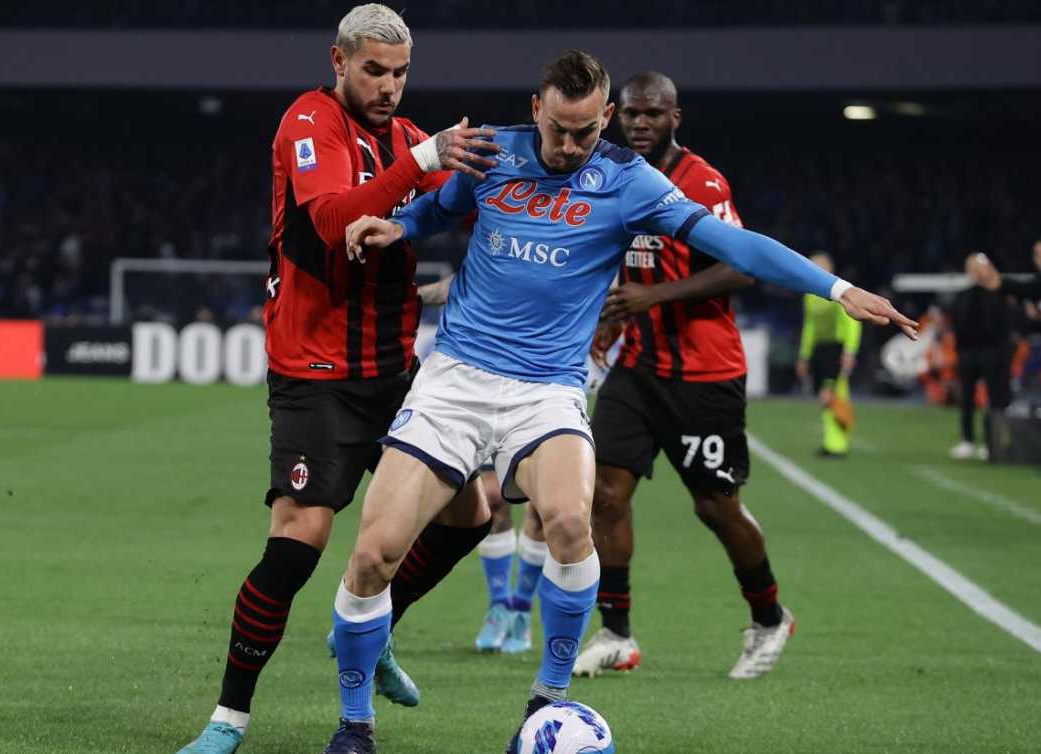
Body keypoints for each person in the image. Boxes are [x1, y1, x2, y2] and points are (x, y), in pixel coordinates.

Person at [323, 50, 916, 754]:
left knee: (571, 521)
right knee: (374, 555)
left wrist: (838, 289)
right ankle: (354, 726)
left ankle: (546, 705)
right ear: (536, 108)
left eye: (585, 132)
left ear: (604, 117)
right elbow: (438, 208)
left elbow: (736, 246)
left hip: (547, 390)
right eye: (558, 130)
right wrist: (401, 227)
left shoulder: (630, 181)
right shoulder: (492, 152)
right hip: (455, 380)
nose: (570, 146)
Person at [174, 6, 503, 753]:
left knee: (471, 513)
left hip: (395, 371)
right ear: (339, 61)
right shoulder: (310, 122)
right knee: (300, 541)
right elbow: (330, 222)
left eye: (400, 74)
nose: (388, 87)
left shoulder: (412, 139)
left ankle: (371, 624)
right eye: (373, 70)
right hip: (315, 371)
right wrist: (423, 161)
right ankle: (228, 719)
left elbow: (461, 207)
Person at [573, 70, 792, 681]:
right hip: (638, 368)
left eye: (653, 114)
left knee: (716, 507)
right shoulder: (613, 174)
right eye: (631, 114)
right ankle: (617, 632)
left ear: (676, 118)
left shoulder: (703, 181)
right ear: (616, 116)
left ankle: (770, 617)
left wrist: (653, 297)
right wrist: (615, 314)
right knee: (604, 493)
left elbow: (741, 267)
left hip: (704, 372)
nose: (640, 123)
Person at [419, 276, 546, 654]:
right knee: (492, 497)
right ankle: (499, 606)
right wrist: (410, 294)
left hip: (545, 384)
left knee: (545, 508)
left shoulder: (561, 254)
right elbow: (466, 281)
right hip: (486, 381)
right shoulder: (495, 252)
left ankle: (522, 608)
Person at [796, 253, 863, 457]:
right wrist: (804, 355)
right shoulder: (809, 296)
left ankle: (838, 444)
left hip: (837, 348)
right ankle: (832, 441)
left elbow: (851, 323)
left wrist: (850, 350)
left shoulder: (837, 292)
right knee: (826, 397)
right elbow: (809, 328)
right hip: (821, 350)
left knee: (833, 396)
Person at [949, 253, 1015, 459]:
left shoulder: (1000, 294)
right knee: (967, 399)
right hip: (969, 352)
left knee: (995, 400)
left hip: (994, 352)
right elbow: (957, 324)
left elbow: (1005, 325)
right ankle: (967, 440)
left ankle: (991, 442)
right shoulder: (964, 296)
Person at [984, 234, 1041, 410]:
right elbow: (1032, 321)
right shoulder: (1040, 285)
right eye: (1038, 255)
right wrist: (1040, 318)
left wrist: (1002, 282)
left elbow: (1031, 288)